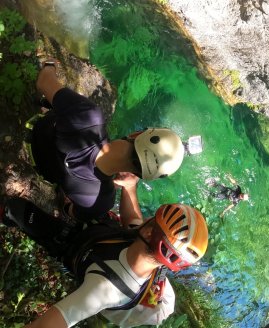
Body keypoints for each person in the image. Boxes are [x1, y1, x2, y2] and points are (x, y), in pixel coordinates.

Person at [2, 176, 209, 328]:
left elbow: (46, 326)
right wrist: (130, 187)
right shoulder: (144, 247)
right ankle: (69, 209)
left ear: (149, 229)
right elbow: (132, 222)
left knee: (14, 210)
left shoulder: (106, 288)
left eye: (153, 219)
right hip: (102, 241)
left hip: (79, 249)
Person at [31, 60, 186, 223]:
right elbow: (71, 212)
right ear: (139, 175)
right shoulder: (102, 200)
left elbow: (43, 81)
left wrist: (50, 65)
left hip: (37, 134)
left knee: (67, 107)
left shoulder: (89, 119)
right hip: (39, 167)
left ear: (137, 133)